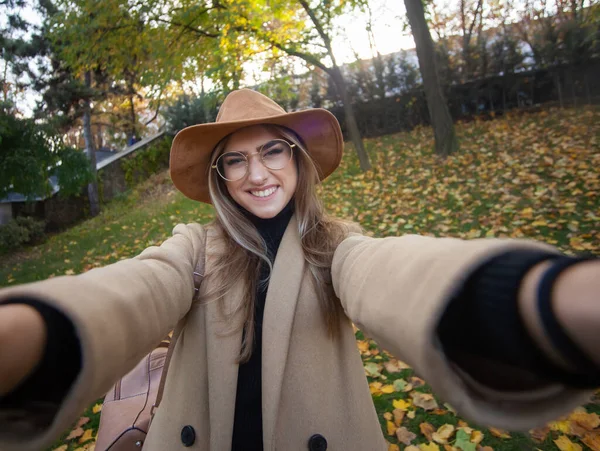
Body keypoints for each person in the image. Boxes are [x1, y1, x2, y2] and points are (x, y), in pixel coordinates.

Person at [0, 88, 599, 451]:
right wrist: (35, 332)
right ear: (221, 181)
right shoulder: (195, 248)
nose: (256, 174)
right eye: (234, 162)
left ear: (297, 156)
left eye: (271, 151)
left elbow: (390, 273)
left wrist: (539, 300)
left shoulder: (335, 245)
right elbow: (138, 286)